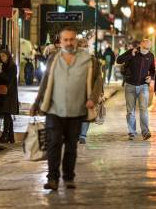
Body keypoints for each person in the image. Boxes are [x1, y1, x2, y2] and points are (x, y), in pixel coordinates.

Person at [31, 26, 104, 190]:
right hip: (54, 110)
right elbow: (45, 81)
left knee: (71, 146)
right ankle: (52, 178)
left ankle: (69, 177)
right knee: (54, 143)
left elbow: (98, 80)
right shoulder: (54, 59)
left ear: (76, 40)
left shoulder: (88, 60)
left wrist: (93, 98)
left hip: (77, 111)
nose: (69, 43)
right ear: (60, 41)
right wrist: (37, 102)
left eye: (72, 39)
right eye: (66, 40)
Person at [117, 38, 155, 141]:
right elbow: (119, 60)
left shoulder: (150, 56)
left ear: (150, 47)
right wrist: (131, 55)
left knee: (144, 109)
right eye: (144, 47)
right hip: (130, 86)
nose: (145, 50)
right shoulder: (132, 51)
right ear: (141, 44)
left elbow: (153, 70)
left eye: (148, 48)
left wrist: (151, 76)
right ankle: (132, 132)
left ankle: (145, 132)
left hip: (143, 86)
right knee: (130, 111)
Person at [77, 38, 100, 144]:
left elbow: (98, 77)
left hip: (88, 91)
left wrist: (99, 93)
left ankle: (83, 135)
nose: (84, 48)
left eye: (86, 46)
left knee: (87, 113)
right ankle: (77, 134)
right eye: (81, 46)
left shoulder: (93, 60)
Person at [0, 49, 19, 144]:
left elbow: (9, 79)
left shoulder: (12, 66)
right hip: (4, 93)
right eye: (1, 57)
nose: (2, 58)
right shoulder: (3, 66)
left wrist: (1, 72)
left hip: (10, 93)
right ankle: (11, 137)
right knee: (7, 114)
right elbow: (1, 79)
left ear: (8, 56)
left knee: (7, 114)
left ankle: (4, 136)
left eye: (4, 56)